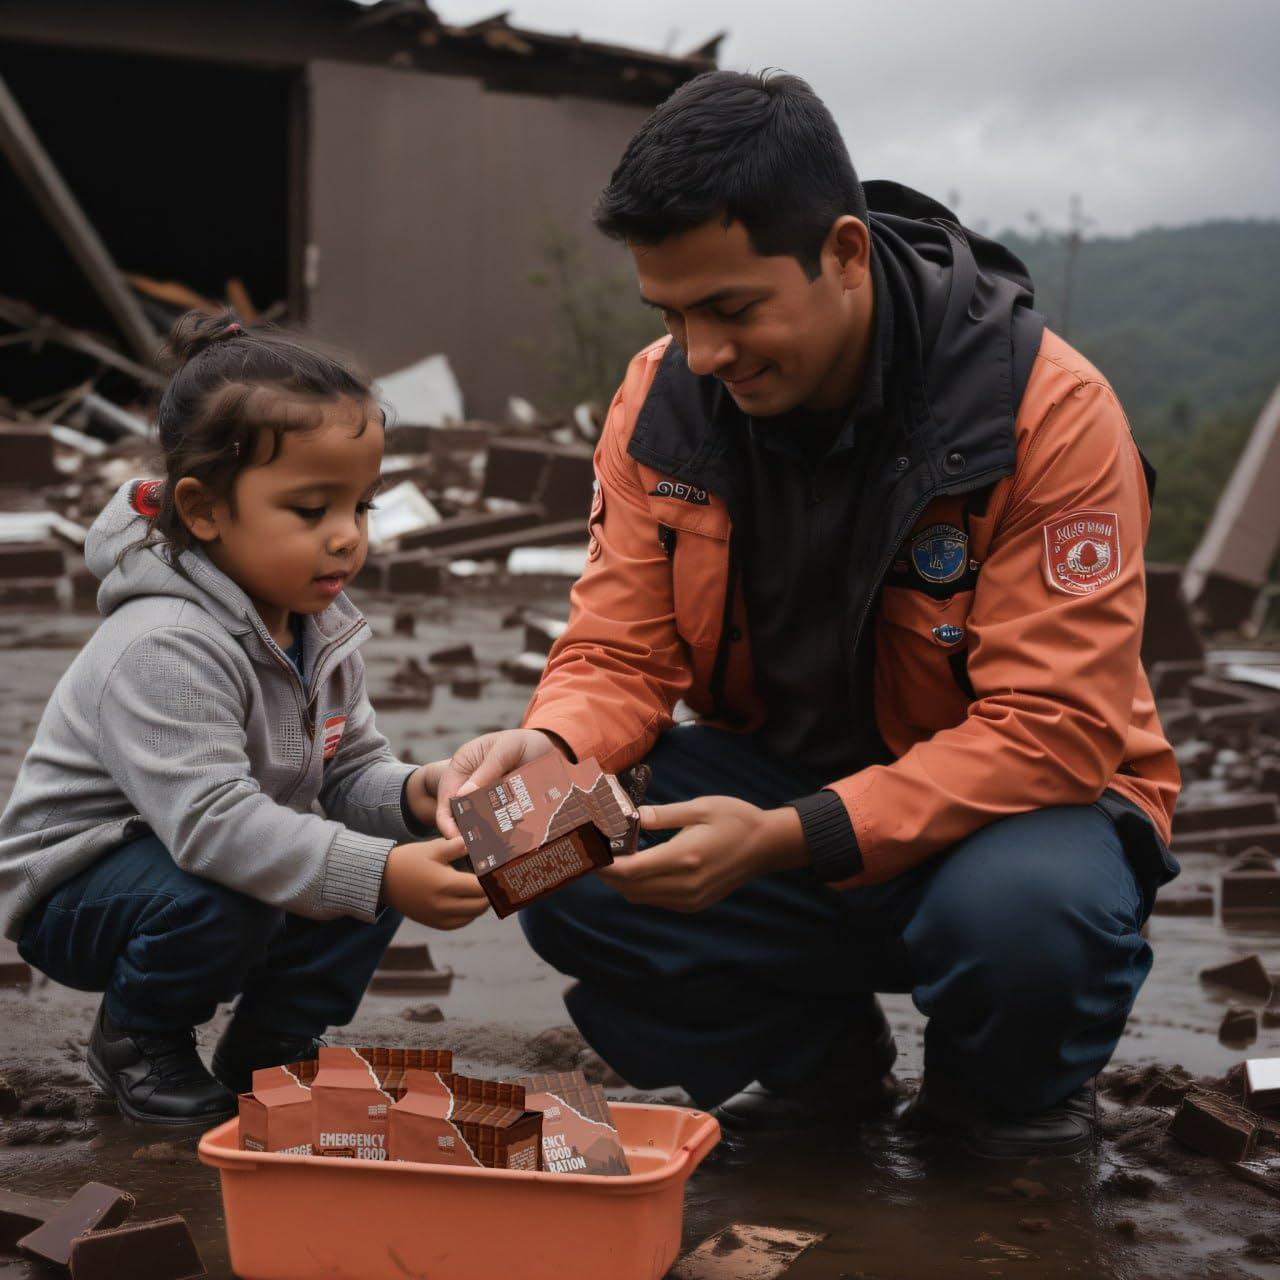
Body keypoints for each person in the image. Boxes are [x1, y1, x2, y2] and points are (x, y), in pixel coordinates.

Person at [435, 70, 1182, 1159]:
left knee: (1026, 920)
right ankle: (813, 1065)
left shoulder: (1046, 414)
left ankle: (999, 1098)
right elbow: (616, 649)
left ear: (840, 252)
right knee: (537, 842)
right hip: (775, 781)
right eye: (672, 313)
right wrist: (548, 741)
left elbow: (1053, 730)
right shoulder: (661, 400)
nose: (701, 353)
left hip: (1014, 813)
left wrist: (787, 838)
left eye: (732, 309)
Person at [0, 312, 487, 1126]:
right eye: (309, 510)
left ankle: (272, 1041)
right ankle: (137, 1035)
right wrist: (377, 874)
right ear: (204, 510)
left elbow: (348, 771)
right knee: (243, 888)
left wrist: (417, 793)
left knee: (389, 850)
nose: (346, 539)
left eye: (360, 507)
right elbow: (212, 826)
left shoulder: (320, 627)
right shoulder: (164, 644)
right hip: (81, 889)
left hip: (200, 857)